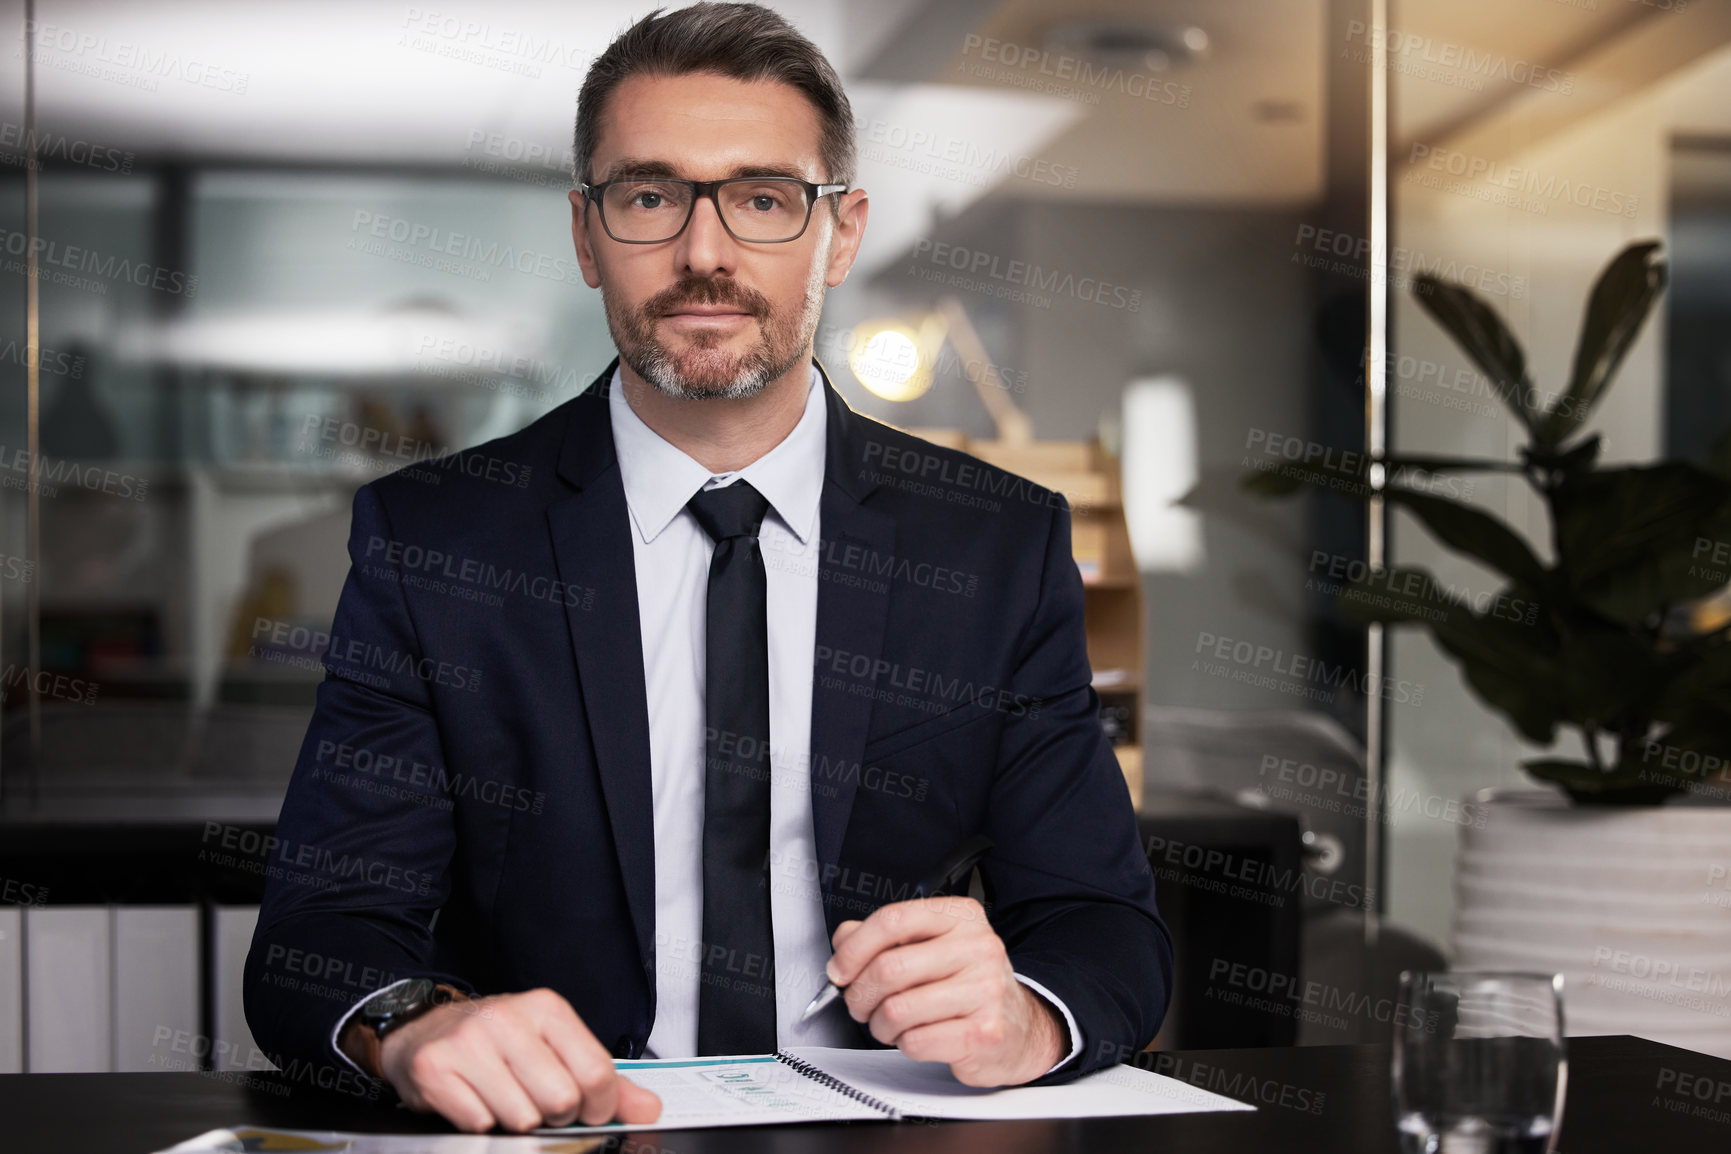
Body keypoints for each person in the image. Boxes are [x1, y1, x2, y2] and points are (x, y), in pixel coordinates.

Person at [244, 1, 1171, 1134]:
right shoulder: (438, 540)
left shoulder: (994, 544)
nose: (705, 254)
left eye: (765, 199)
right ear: (586, 235)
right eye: (648, 196)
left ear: (841, 232)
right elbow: (319, 931)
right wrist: (417, 1019)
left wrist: (1028, 1012)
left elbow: (1103, 924)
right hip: (563, 1134)